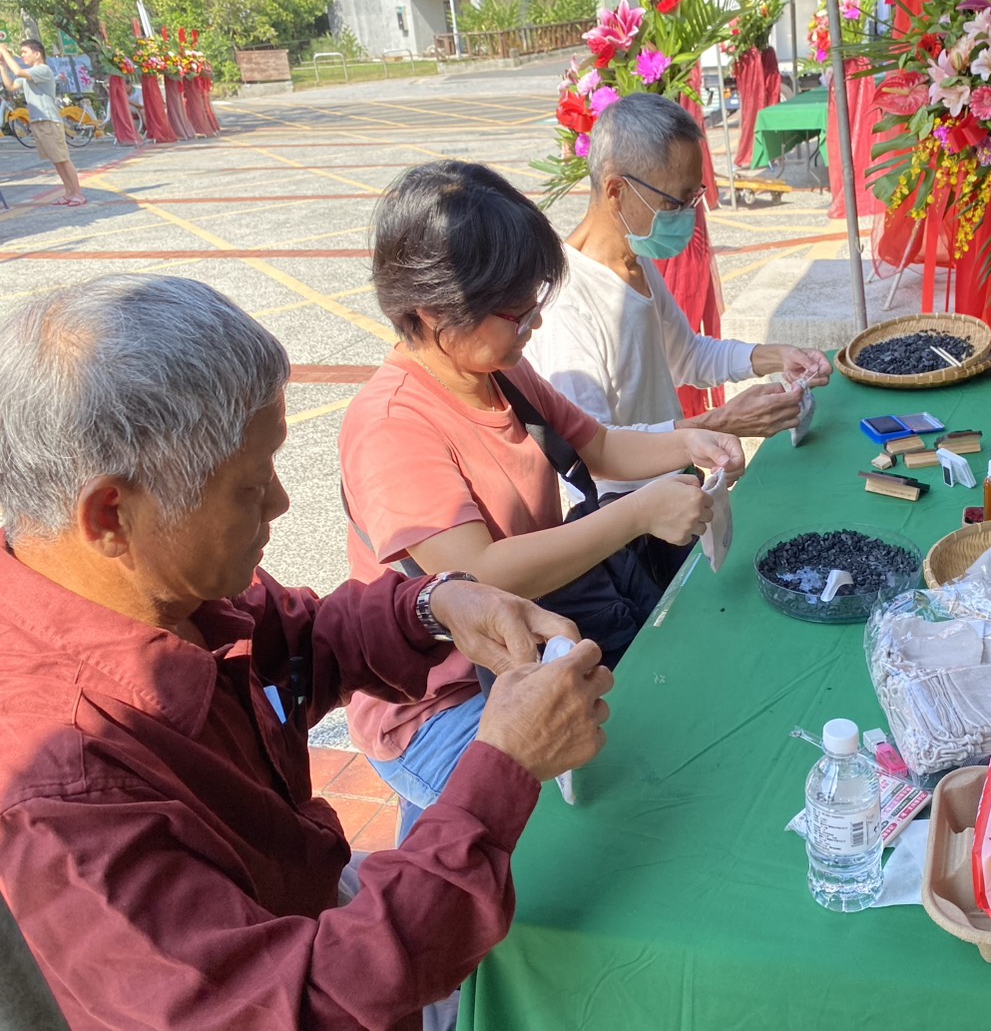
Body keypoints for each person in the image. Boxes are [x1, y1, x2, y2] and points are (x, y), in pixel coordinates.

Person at [0, 274, 614, 1029]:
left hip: (315, 886)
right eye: (250, 485)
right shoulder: (63, 795)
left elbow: (295, 637)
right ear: (109, 514)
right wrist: (504, 771)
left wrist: (437, 604)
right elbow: (306, 1002)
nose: (281, 503)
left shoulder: (162, 586)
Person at [339, 159, 744, 815]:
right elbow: (478, 578)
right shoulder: (392, 427)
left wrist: (689, 442)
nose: (532, 328)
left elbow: (600, 444)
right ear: (432, 311)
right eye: (515, 313)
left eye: (533, 307)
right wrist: (638, 513)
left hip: (524, 656)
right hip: (441, 703)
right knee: (510, 844)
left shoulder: (498, 370)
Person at [526, 92, 832, 501]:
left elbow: (685, 355)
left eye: (695, 197)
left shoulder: (634, 259)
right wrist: (722, 422)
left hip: (673, 481)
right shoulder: (567, 306)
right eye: (676, 201)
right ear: (616, 189)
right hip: (622, 516)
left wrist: (774, 356)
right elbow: (593, 450)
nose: (688, 213)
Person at [0, 40, 85, 206]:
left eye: (25, 52)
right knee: (56, 160)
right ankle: (69, 192)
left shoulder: (42, 70)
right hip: (38, 121)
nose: (22, 55)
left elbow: (17, 71)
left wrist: (4, 51)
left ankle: (78, 193)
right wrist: (2, 65)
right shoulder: (30, 74)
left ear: (37, 54)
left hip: (49, 121)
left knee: (63, 159)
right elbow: (10, 86)